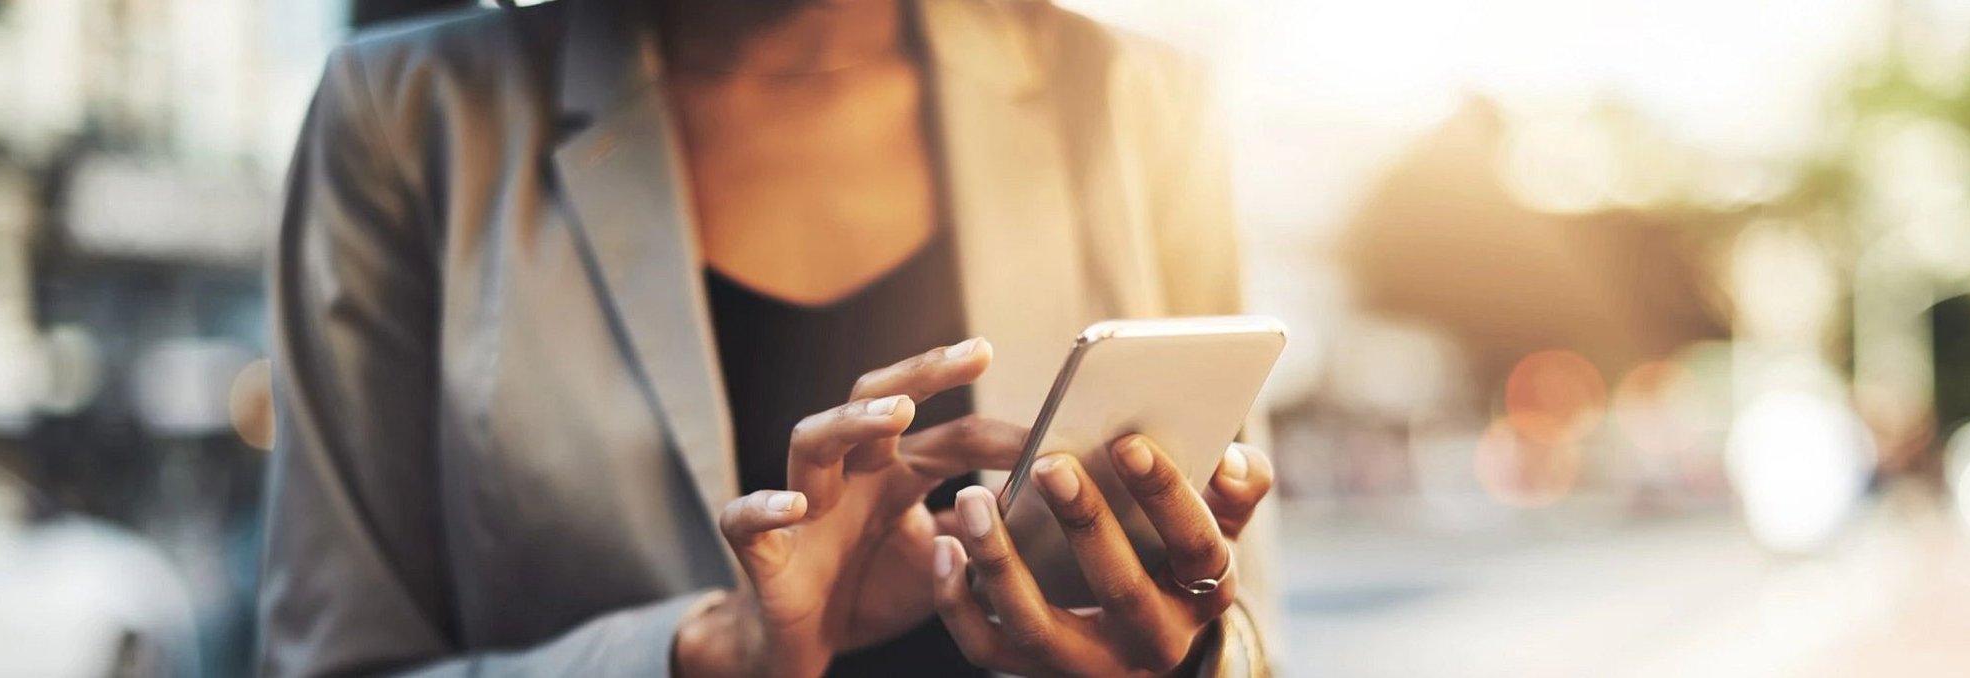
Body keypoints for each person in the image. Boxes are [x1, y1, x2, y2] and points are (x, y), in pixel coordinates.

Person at [258, 0, 1280, 675]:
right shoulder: (405, 118)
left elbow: (1249, 632)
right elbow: (337, 659)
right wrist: (712, 653)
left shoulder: (1135, 101)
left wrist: (1197, 657)